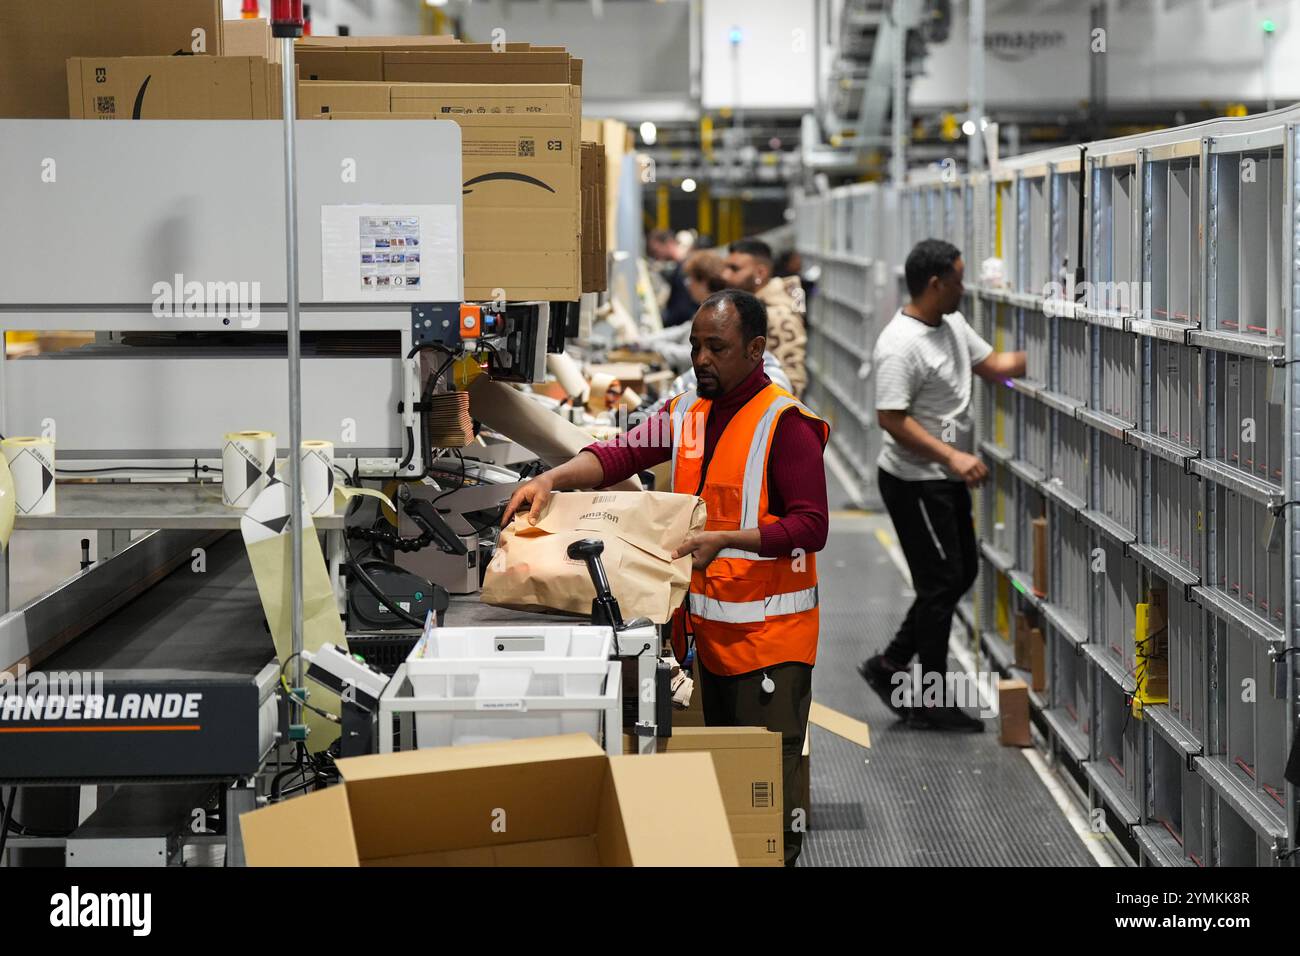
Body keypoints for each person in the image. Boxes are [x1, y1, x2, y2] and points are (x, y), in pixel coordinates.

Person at [502, 290, 830, 865]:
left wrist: (729, 540)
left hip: (770, 643)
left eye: (717, 348)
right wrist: (551, 480)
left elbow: (812, 525)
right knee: (720, 788)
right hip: (705, 638)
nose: (701, 358)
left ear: (755, 350)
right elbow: (616, 455)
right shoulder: (687, 414)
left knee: (767, 802)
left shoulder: (786, 425)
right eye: (696, 345)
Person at [859, 239, 1026, 732]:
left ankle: (890, 665)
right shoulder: (899, 345)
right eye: (957, 277)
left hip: (943, 478)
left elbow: (994, 366)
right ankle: (928, 697)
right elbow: (890, 417)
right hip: (913, 482)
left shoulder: (951, 325)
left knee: (958, 574)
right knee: (941, 582)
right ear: (936, 284)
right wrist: (953, 454)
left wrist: (1057, 351)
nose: (964, 286)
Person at [722, 238, 808, 397]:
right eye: (725, 267)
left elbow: (791, 384)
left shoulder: (778, 316)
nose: (725, 275)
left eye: (734, 269)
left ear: (760, 273)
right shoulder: (751, 308)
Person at [646, 229, 696, 328]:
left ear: (669, 243)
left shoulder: (685, 268)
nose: (657, 257)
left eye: (656, 251)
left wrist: (666, 320)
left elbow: (683, 307)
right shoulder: (680, 266)